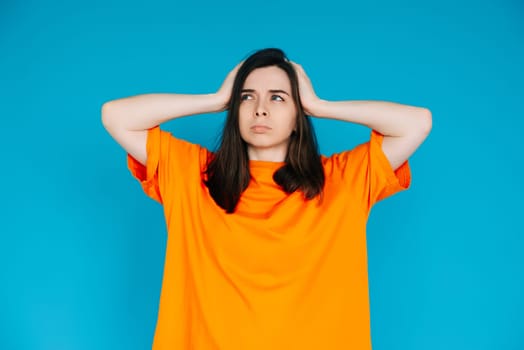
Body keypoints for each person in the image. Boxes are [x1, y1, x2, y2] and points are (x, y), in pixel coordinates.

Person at [101, 48, 431, 349]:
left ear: (297, 115)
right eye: (247, 97)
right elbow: (116, 116)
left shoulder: (344, 179)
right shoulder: (191, 174)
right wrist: (215, 99)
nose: (260, 110)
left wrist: (320, 106)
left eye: (277, 98)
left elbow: (416, 123)